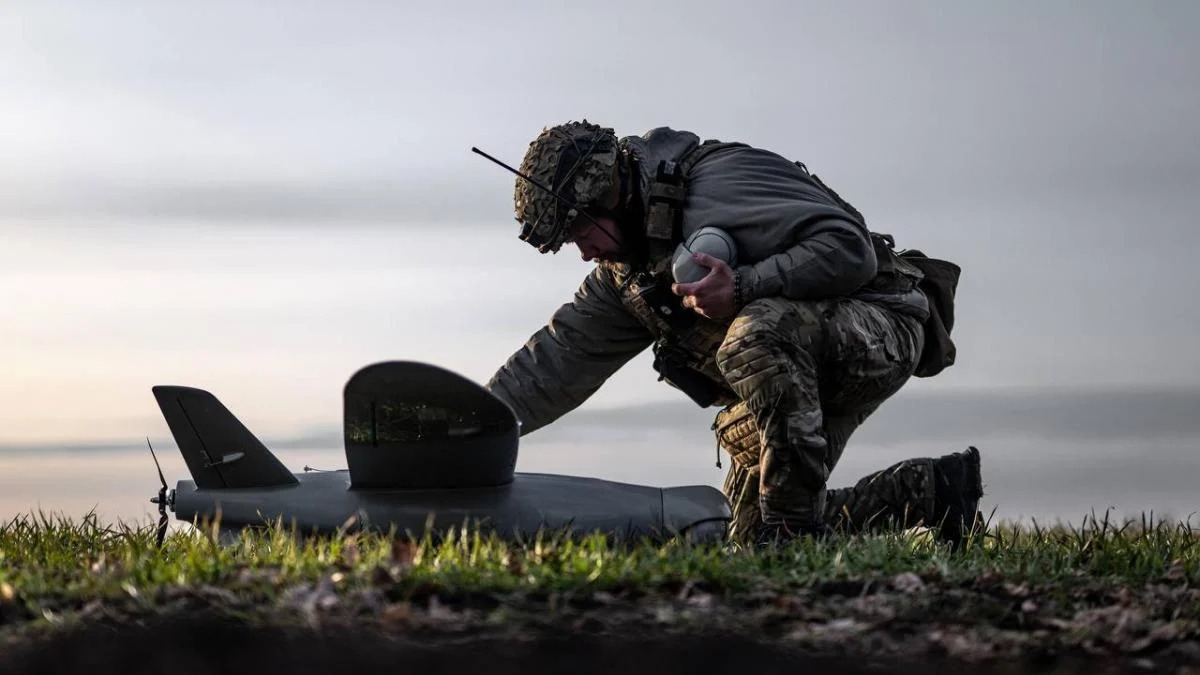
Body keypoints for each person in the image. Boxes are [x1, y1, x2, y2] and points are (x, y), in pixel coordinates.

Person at [483, 120, 982, 546]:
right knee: (746, 539)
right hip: (791, 367)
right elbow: (554, 363)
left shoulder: (723, 184)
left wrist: (744, 285)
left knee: (755, 338)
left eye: (579, 234)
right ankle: (930, 492)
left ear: (606, 197)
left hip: (881, 323)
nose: (584, 253)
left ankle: (793, 534)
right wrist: (464, 426)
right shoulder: (625, 277)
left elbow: (850, 249)